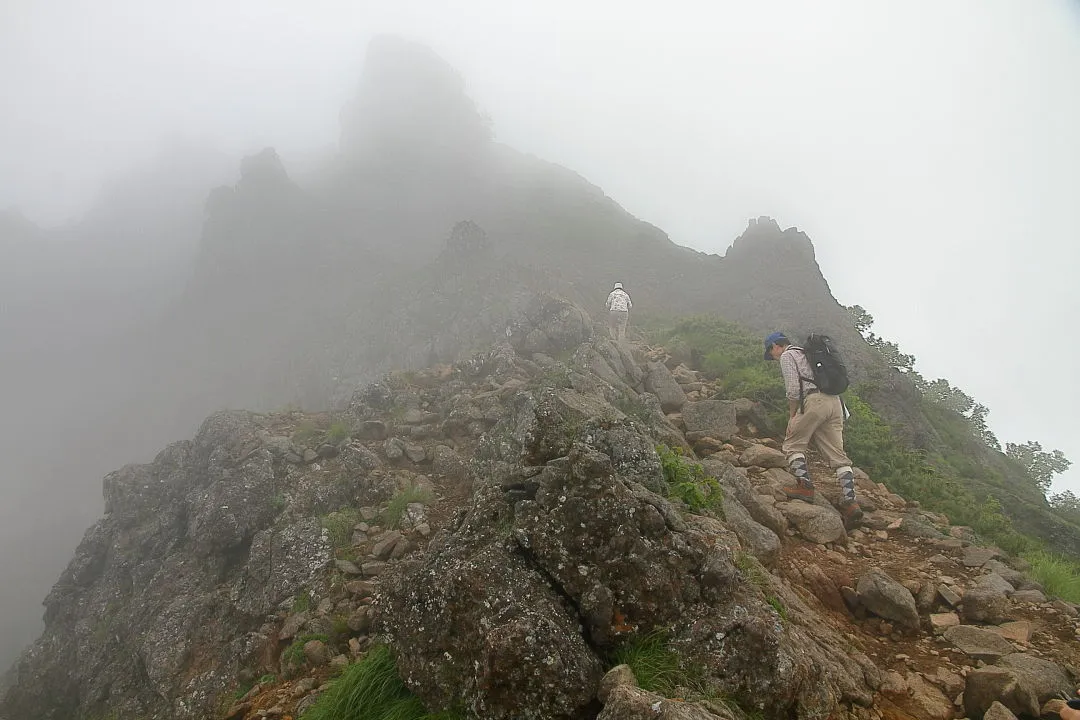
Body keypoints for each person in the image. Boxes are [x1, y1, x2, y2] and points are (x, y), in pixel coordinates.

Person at [764, 331, 864, 530]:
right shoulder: (809, 353)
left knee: (793, 444)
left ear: (776, 345)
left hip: (814, 401)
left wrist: (792, 416)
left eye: (770, 352)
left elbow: (793, 389)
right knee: (838, 456)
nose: (772, 357)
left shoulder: (788, 355)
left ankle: (805, 486)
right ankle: (850, 502)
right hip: (835, 404)